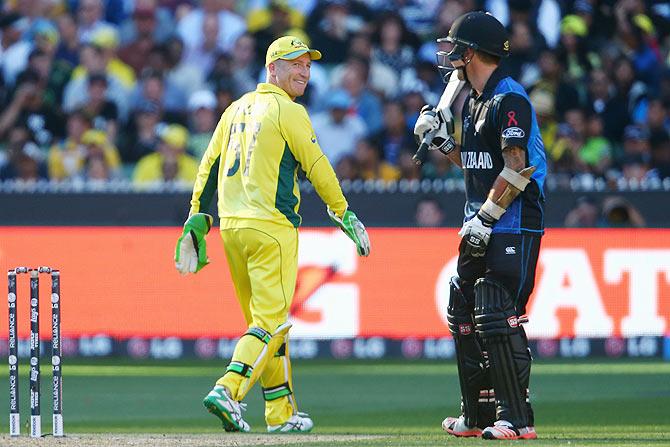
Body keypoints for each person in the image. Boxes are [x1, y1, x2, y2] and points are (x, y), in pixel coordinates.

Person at [174, 35, 370, 434]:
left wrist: (196, 217)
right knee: (272, 323)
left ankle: (280, 413)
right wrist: (343, 211)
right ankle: (228, 389)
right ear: (272, 69)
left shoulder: (234, 109)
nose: (304, 71)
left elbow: (208, 167)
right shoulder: (289, 111)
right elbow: (317, 165)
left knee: (264, 325)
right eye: (294, 64)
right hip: (271, 229)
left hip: (232, 229)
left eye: (308, 65)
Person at [413, 11, 546, 440]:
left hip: (513, 221)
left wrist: (486, 219)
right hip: (482, 217)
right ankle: (478, 415)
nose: (449, 55)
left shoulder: (510, 100)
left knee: (494, 308)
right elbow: (476, 162)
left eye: (455, 48)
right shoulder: (472, 101)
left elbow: (516, 169)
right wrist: (442, 142)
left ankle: (517, 418)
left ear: (472, 53)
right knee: (462, 306)